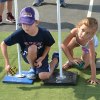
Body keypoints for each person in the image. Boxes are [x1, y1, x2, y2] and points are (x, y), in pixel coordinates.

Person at [1, 6, 59, 80]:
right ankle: (33, 69)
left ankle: (55, 59)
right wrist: (7, 63)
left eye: (29, 23)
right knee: (32, 47)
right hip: (27, 55)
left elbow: (48, 45)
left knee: (44, 76)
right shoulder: (20, 32)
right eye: (23, 23)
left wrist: (42, 58)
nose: (26, 27)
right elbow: (3, 44)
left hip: (41, 56)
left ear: (36, 22)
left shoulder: (45, 33)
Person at [61, 17, 100, 84]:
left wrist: (93, 77)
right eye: (82, 30)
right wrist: (71, 59)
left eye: (88, 33)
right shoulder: (75, 31)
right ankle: (70, 62)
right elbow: (63, 45)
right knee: (68, 47)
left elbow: (91, 60)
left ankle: (93, 53)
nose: (83, 34)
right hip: (77, 40)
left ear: (91, 35)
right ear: (79, 27)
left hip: (87, 46)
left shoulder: (91, 41)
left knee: (83, 66)